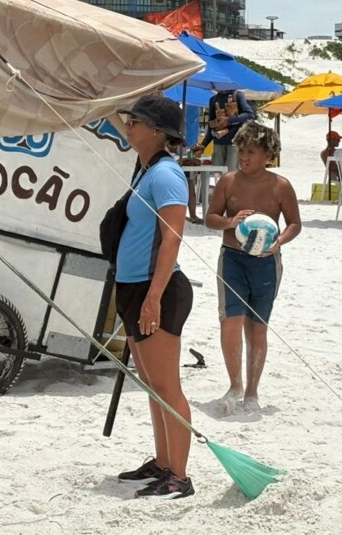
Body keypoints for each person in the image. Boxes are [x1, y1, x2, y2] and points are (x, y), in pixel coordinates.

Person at [113, 95, 196, 499]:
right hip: (134, 287)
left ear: (158, 132)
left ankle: (179, 475)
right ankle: (163, 463)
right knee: (150, 384)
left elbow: (172, 238)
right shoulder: (146, 169)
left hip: (156, 289)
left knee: (167, 385)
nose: (128, 126)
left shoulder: (166, 175)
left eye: (135, 121)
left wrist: (154, 297)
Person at [204, 122, 301, 417]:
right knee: (230, 321)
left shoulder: (281, 186)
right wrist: (230, 222)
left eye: (251, 152)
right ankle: (235, 385)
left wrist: (279, 241)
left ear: (267, 155)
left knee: (257, 327)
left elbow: (294, 223)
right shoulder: (228, 181)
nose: (244, 157)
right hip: (232, 258)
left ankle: (252, 392)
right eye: (242, 151)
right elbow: (210, 218)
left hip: (267, 263)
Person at [199, 89, 255, 170]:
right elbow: (211, 127)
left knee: (232, 173)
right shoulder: (213, 99)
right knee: (217, 174)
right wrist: (202, 146)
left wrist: (229, 120)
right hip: (218, 144)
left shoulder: (238, 95)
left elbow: (249, 115)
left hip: (234, 144)